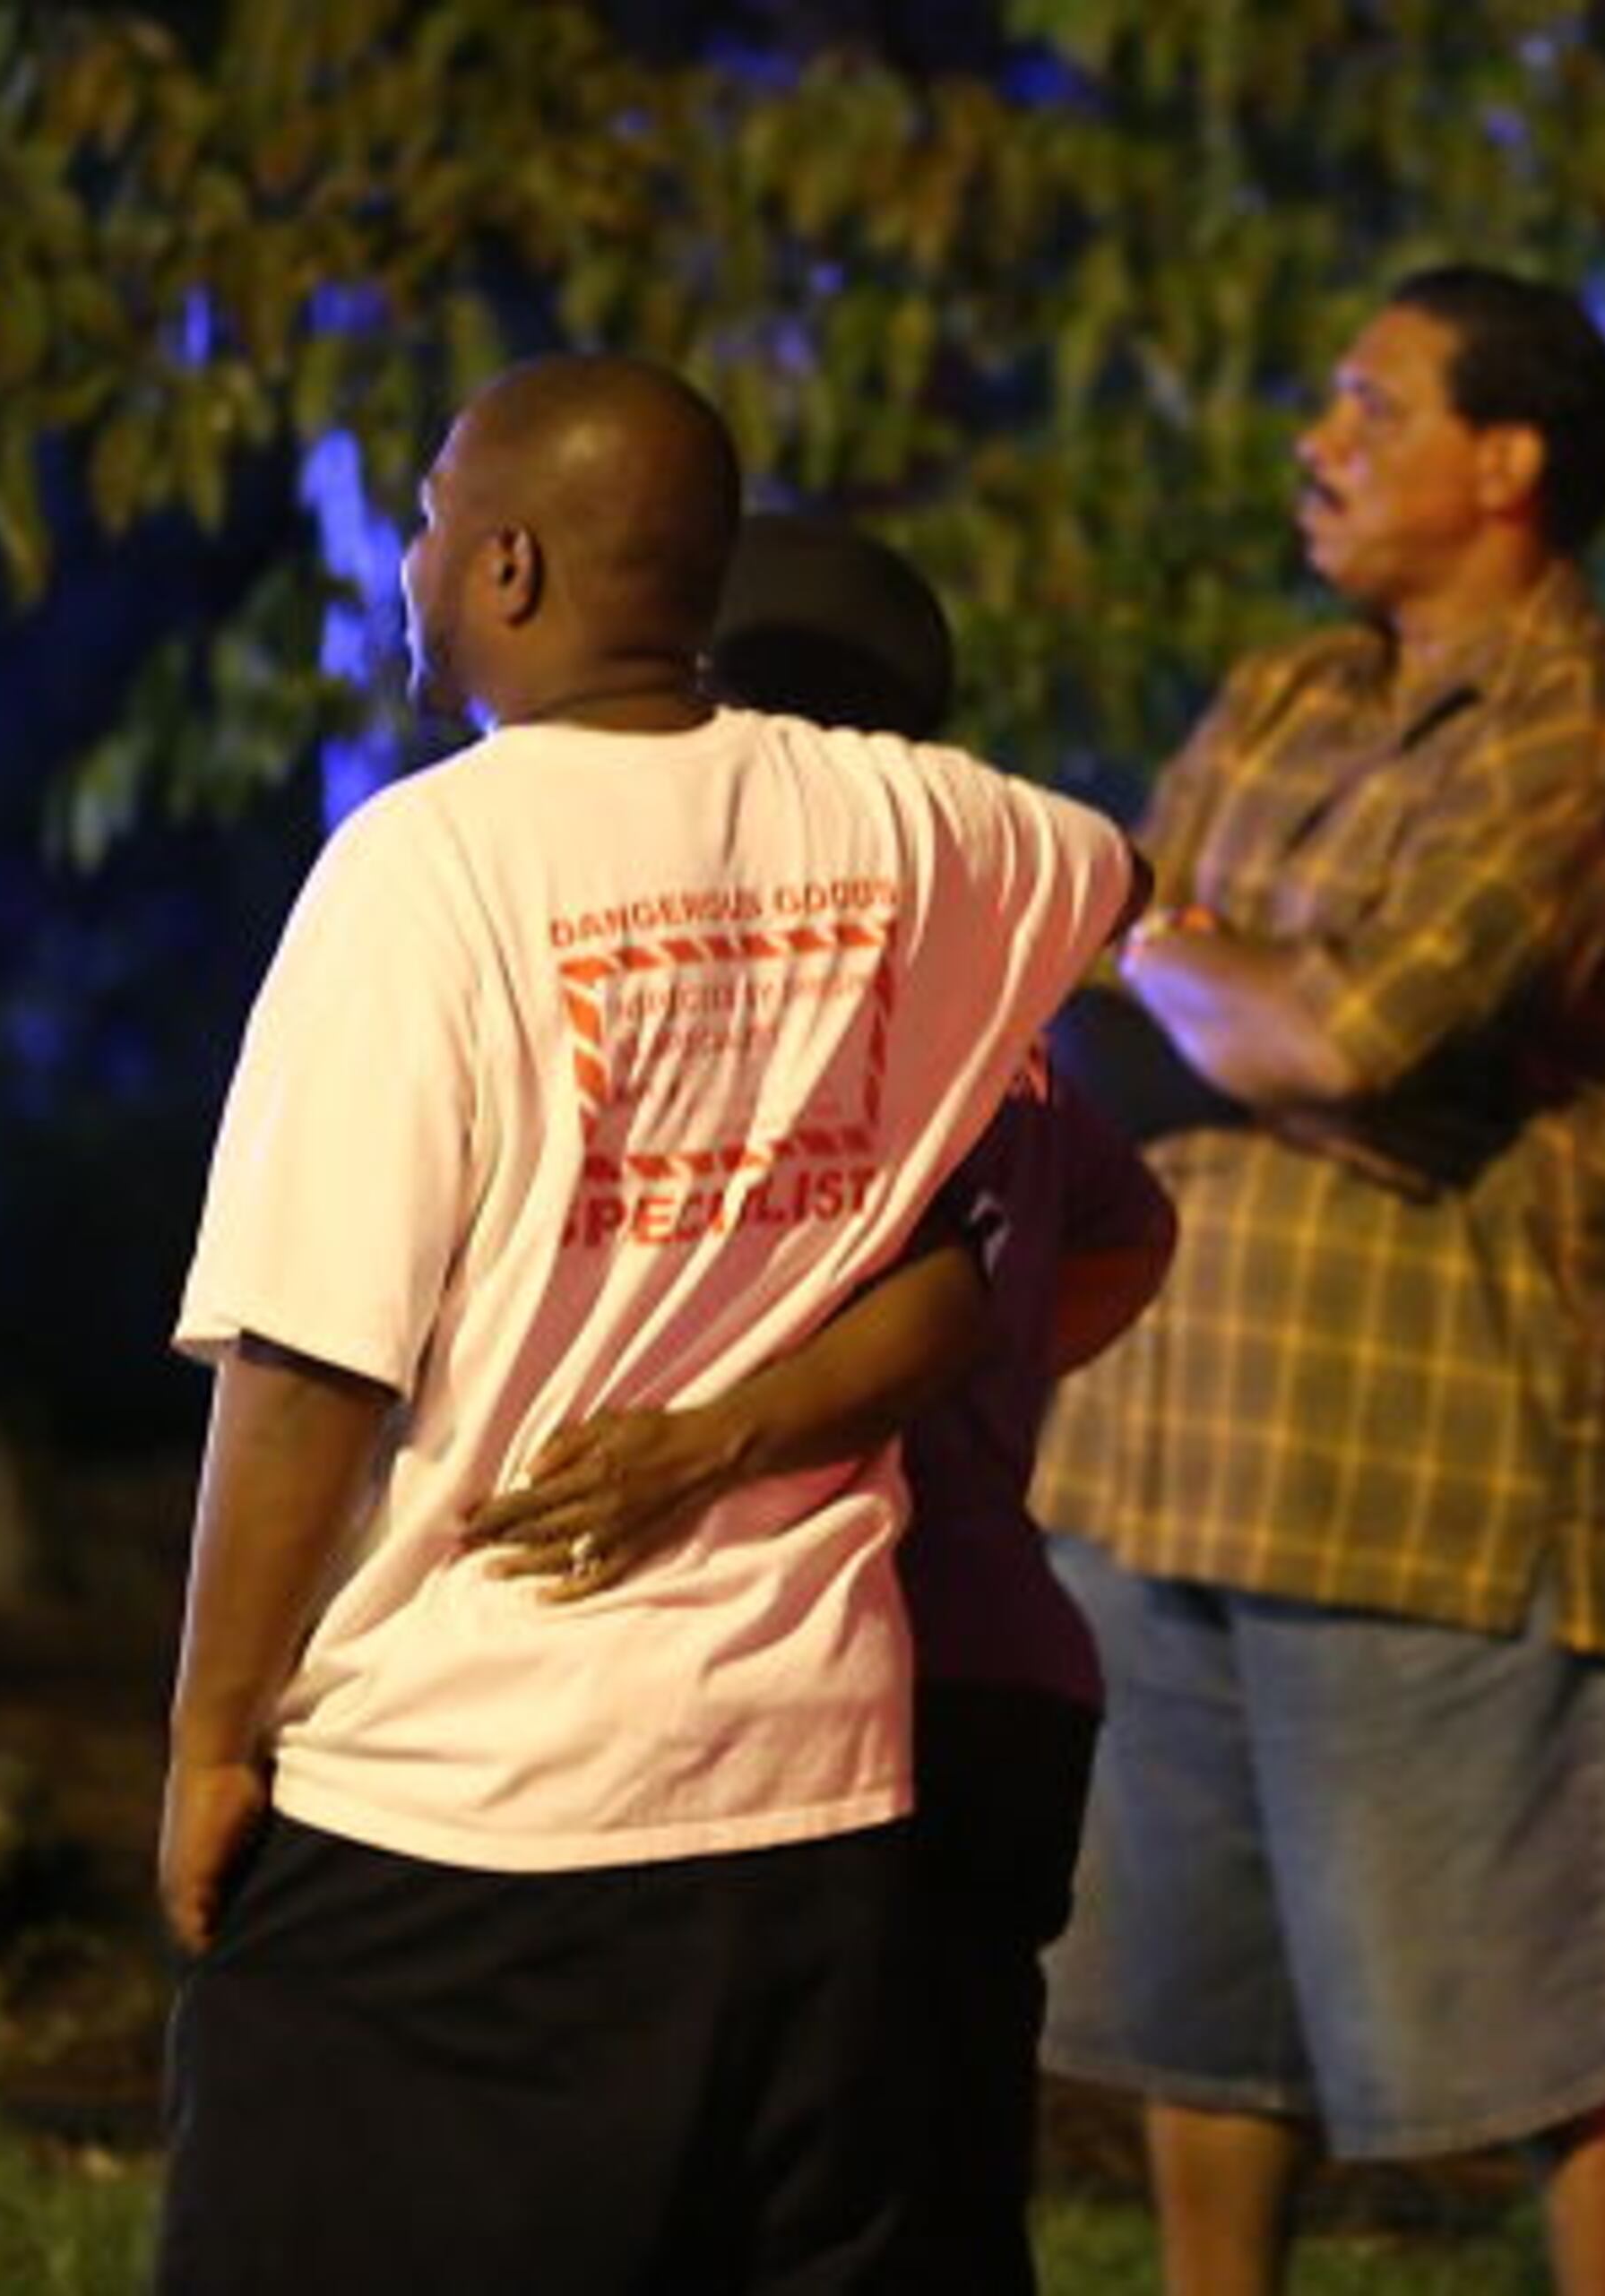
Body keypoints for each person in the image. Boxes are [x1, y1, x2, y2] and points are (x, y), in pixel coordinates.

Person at [156, 357, 1143, 2292]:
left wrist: (209, 1741)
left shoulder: (424, 866)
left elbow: (311, 1359)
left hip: (463, 1804)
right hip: (811, 1793)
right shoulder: (913, 824)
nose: (413, 559)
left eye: (429, 519)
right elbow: (1119, 877)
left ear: (508, 564)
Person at [1031, 265, 1605, 2295]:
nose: (1317, 445)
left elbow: (1360, 1032)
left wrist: (1191, 964)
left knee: (1554, 2030)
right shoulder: (1287, 693)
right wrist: (1214, 982)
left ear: (1509, 463)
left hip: (1441, 1471)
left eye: (1371, 407)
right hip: (1169, 1440)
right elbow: (1110, 981)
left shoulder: (1590, 723)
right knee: (1195, 2003)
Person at [457, 512, 1179, 2292]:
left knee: (776, 2202)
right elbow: (1126, 1231)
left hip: (835, 1681)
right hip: (1007, 1664)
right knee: (945, 2188)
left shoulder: (784, 1012)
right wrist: (996, 1408)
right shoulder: (994, 1014)